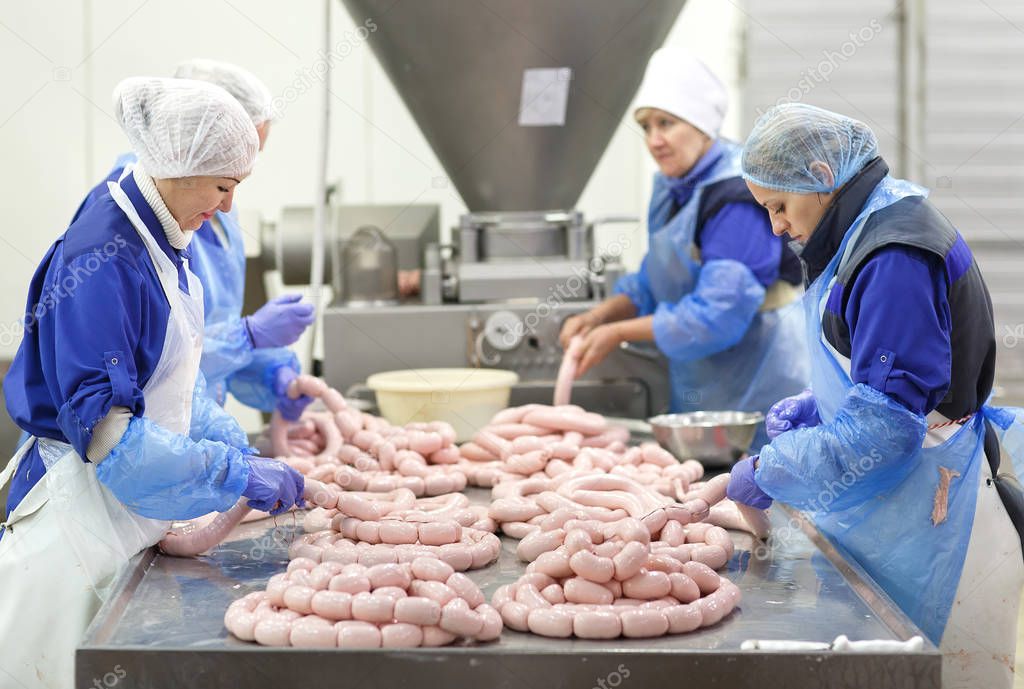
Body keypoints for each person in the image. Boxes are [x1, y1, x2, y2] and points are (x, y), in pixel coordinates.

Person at [0, 77, 306, 689]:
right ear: (181, 164)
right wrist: (233, 474)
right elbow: (110, 439)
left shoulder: (165, 235)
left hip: (125, 516)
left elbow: (169, 378)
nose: (225, 207)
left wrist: (230, 442)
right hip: (74, 527)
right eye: (223, 186)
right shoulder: (105, 254)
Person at [727, 102, 1024, 689]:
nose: (776, 227)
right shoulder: (869, 224)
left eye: (779, 207)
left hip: (936, 515)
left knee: (948, 674)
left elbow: (886, 433)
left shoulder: (893, 255)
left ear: (819, 174)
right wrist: (826, 404)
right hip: (906, 505)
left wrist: (772, 466)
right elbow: (896, 374)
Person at [559, 48, 808, 449]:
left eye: (667, 123)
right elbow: (657, 276)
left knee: (763, 491)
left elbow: (716, 316)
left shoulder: (735, 197)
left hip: (758, 378)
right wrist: (599, 316)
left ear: (701, 125)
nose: (654, 140)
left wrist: (615, 333)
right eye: (645, 126)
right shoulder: (673, 185)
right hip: (703, 379)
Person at [73, 59, 316, 423]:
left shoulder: (211, 213)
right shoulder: (120, 229)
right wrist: (247, 336)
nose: (228, 199)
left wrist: (271, 373)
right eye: (224, 174)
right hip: (114, 453)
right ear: (192, 145)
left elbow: (201, 332)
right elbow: (138, 373)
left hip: (172, 434)